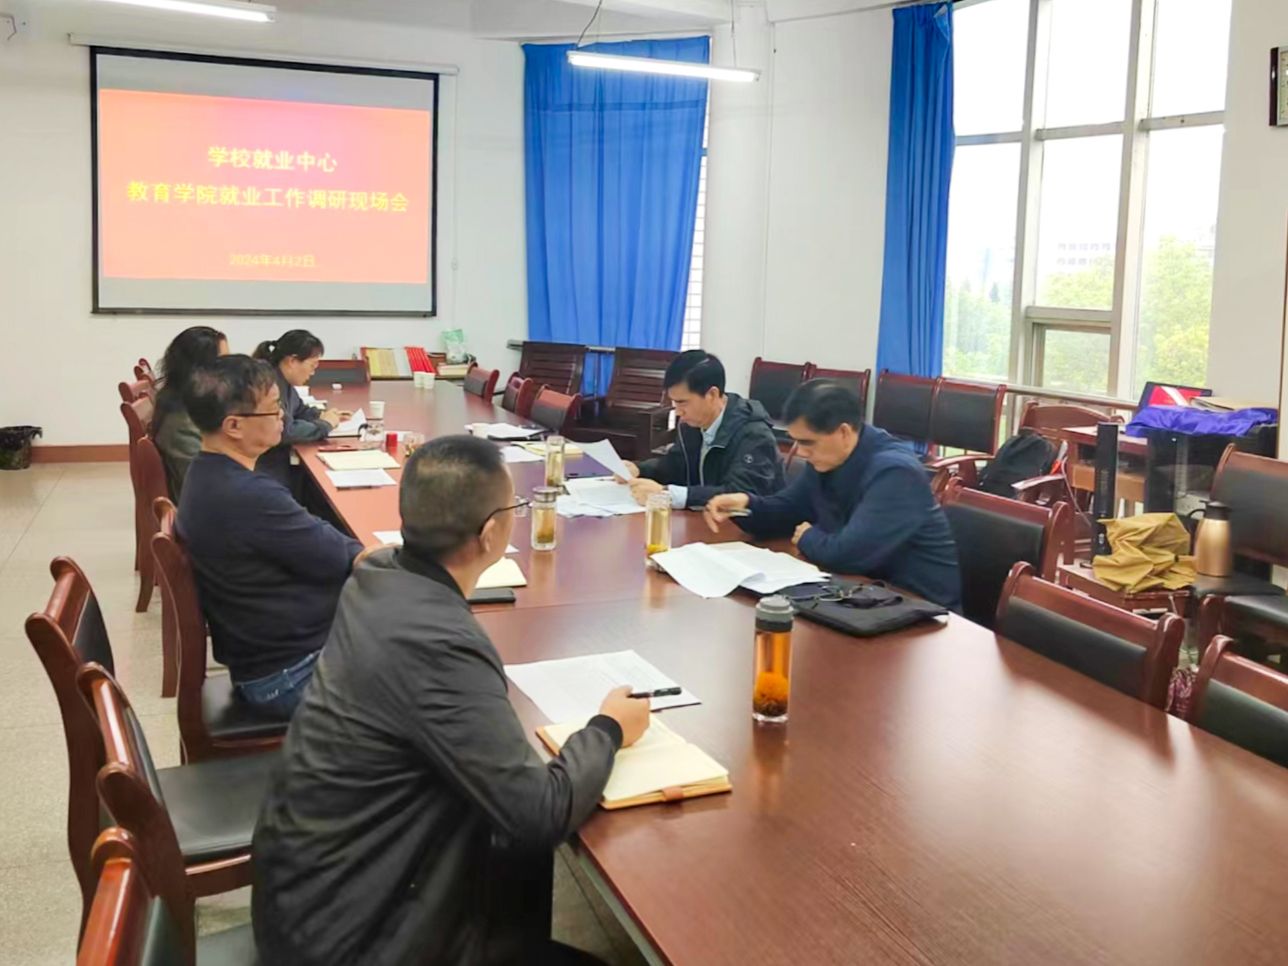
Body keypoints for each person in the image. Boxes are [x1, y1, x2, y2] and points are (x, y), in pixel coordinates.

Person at [253, 435, 650, 965]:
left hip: (313, 892)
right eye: (513, 508)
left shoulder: (378, 577)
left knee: (511, 861)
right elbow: (538, 813)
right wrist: (607, 729)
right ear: (490, 534)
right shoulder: (438, 642)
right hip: (351, 939)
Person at [177, 355, 365, 719]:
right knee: (439, 681)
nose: (283, 417)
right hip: (290, 676)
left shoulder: (208, 473)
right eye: (274, 408)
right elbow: (341, 558)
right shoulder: (248, 496)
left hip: (271, 658)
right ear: (233, 425)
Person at [705, 379, 961, 610]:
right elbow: (788, 510)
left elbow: (849, 555)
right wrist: (745, 505)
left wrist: (807, 537)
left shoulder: (895, 473)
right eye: (796, 441)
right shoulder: (828, 459)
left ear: (843, 432)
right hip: (862, 598)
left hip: (920, 614)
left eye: (807, 442)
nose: (800, 452)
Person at [618, 351, 784, 509]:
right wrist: (639, 469)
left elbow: (738, 494)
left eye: (682, 402)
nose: (678, 412)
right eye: (674, 403)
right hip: (703, 520)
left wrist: (667, 494)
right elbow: (674, 465)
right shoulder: (692, 424)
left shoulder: (754, 434)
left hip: (745, 527)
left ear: (712, 395)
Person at [251, 329, 350, 486]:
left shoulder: (282, 380)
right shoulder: (269, 384)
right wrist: (325, 425)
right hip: (264, 467)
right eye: (312, 365)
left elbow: (299, 410)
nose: (313, 373)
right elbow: (286, 431)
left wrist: (321, 414)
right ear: (292, 361)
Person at [150, 325, 228, 497]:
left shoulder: (190, 403)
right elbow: (205, 485)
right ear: (199, 369)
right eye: (222, 363)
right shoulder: (181, 424)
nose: (228, 371)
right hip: (204, 505)